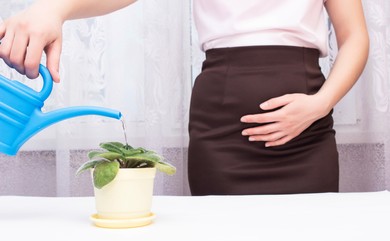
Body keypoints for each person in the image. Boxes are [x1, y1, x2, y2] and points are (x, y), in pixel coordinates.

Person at [0, 0, 369, 195]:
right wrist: (54, 8)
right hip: (222, 132)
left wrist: (320, 104)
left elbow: (355, 36)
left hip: (307, 137)